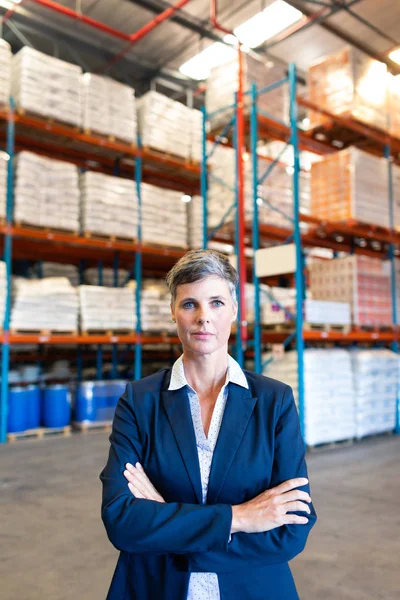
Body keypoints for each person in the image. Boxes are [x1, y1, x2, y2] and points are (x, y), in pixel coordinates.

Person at [100, 249, 317, 600]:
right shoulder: (140, 401)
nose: (204, 317)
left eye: (216, 302)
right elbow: (122, 521)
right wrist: (240, 518)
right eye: (189, 304)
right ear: (173, 312)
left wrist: (167, 523)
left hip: (251, 590)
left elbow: (292, 529)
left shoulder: (273, 402)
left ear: (234, 310)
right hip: (157, 589)